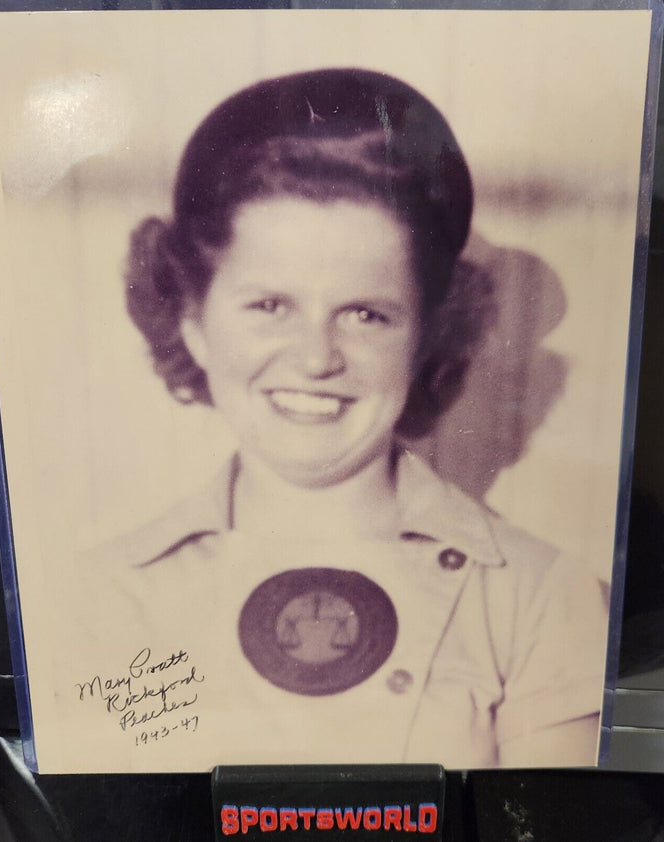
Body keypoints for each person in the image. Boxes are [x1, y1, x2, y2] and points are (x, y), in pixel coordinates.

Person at [106, 68, 607, 769]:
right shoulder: (98, 599)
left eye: (366, 314)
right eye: (270, 305)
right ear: (193, 322)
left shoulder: (540, 602)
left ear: (428, 338)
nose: (316, 359)